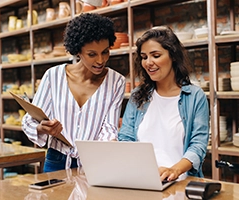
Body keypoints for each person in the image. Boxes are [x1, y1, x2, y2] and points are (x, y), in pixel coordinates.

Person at [22, 13, 126, 172]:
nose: (100, 60)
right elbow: (30, 120)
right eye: (92, 54)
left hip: (95, 162)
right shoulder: (53, 76)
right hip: (56, 160)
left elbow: (109, 128)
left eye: (105, 52)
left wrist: (111, 150)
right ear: (78, 51)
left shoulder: (116, 81)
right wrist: (43, 128)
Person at [117, 26, 209, 181]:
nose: (148, 63)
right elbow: (126, 138)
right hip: (143, 181)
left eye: (156, 55)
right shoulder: (137, 96)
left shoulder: (194, 96)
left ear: (172, 56)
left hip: (180, 181)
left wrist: (174, 170)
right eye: (144, 57)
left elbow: (198, 145)